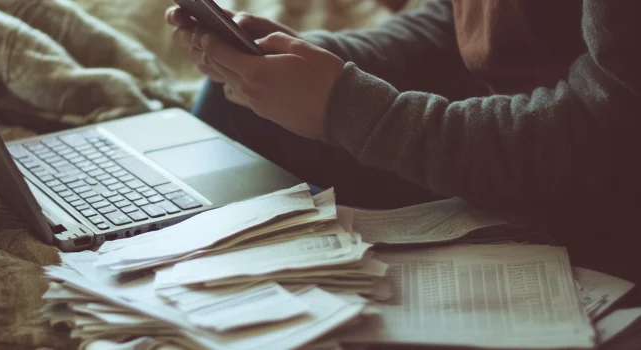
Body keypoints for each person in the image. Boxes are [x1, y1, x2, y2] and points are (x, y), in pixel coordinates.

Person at [166, 1, 641, 296]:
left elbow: (608, 136)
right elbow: (455, 29)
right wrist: (311, 61)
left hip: (600, 196)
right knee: (239, 106)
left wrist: (355, 107)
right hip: (515, 142)